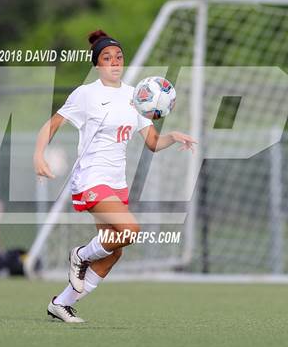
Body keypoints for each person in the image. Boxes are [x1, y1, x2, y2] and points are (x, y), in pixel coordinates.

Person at [33, 30, 197, 323]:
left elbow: (153, 143)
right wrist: (38, 155)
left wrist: (172, 135)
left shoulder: (137, 96)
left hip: (117, 184)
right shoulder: (86, 94)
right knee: (130, 230)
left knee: (114, 252)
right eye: (107, 58)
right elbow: (52, 124)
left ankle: (60, 303)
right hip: (91, 179)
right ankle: (80, 255)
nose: (114, 62)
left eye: (119, 57)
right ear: (97, 65)